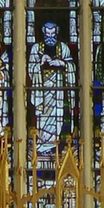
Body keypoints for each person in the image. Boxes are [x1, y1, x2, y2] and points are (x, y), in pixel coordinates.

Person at [28, 20, 76, 154]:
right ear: (43, 34)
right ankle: (43, 146)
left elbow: (72, 66)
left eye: (52, 34)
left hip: (58, 91)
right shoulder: (36, 48)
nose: (50, 37)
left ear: (56, 33)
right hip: (42, 91)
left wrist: (62, 63)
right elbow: (30, 69)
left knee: (57, 118)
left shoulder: (63, 48)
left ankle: (55, 146)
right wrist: (40, 63)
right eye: (47, 35)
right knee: (43, 119)